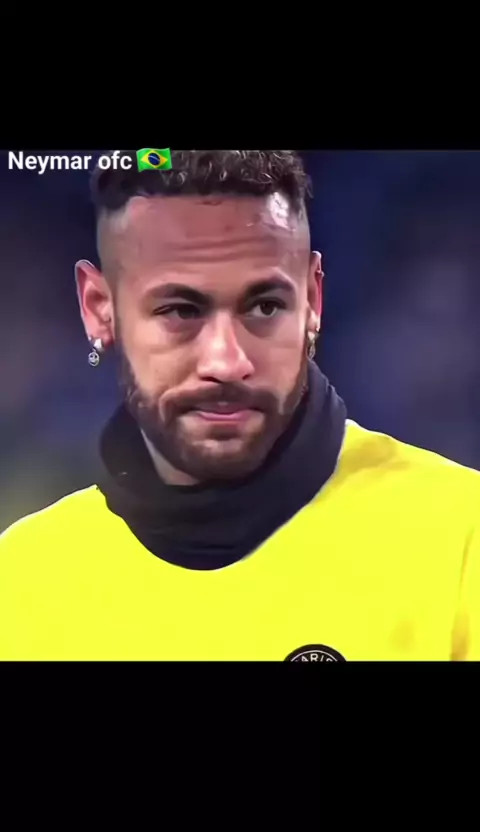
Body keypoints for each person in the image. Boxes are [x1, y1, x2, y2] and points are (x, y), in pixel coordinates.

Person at [1, 149, 480, 662]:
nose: (227, 362)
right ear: (100, 309)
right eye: (180, 311)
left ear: (312, 300)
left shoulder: (459, 537)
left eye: (265, 306)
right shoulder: (22, 583)